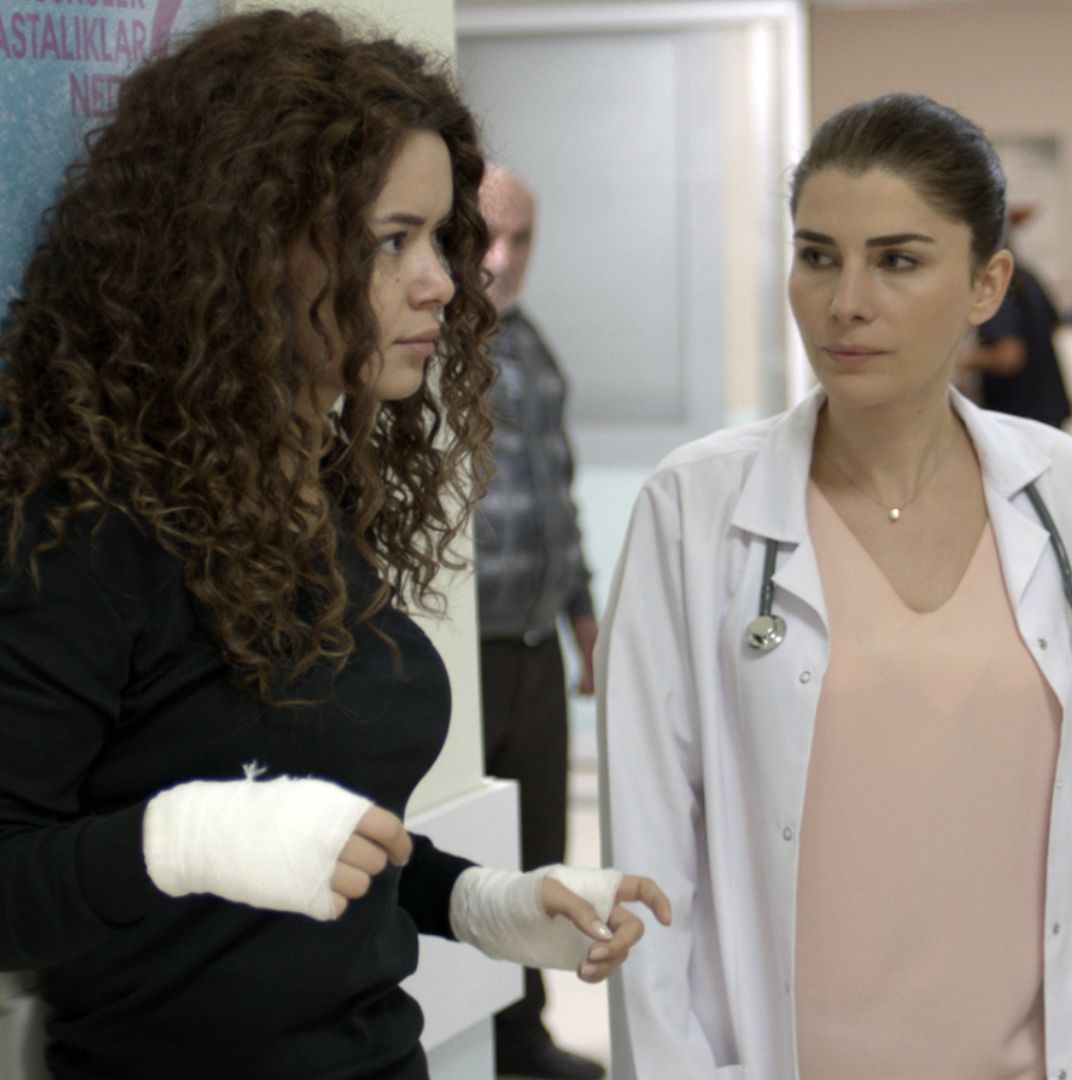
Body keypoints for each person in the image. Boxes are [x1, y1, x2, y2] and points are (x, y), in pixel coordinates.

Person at [0, 12, 668, 1079]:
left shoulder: (314, 490)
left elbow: (313, 831)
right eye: (391, 240)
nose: (441, 282)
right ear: (248, 245)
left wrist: (477, 901)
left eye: (438, 239)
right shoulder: (89, 530)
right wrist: (182, 840)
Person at [598, 93, 1072, 1080]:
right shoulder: (693, 510)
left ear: (987, 283)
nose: (847, 302)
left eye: (898, 260)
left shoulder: (1067, 497)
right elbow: (649, 872)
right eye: (818, 256)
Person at [472, 164, 608, 1080]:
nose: (503, 258)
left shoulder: (531, 346)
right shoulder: (423, 346)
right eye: (486, 235)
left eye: (521, 238)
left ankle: (523, 1039)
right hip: (462, 651)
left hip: (533, 646)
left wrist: (583, 616)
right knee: (467, 862)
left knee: (537, 852)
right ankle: (473, 1044)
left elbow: (557, 495)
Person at [959, 203, 1072, 428]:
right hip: (1049, 408)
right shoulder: (1029, 277)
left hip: (1018, 415)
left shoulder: (994, 287)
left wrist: (964, 360)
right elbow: (1056, 324)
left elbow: (1010, 355)